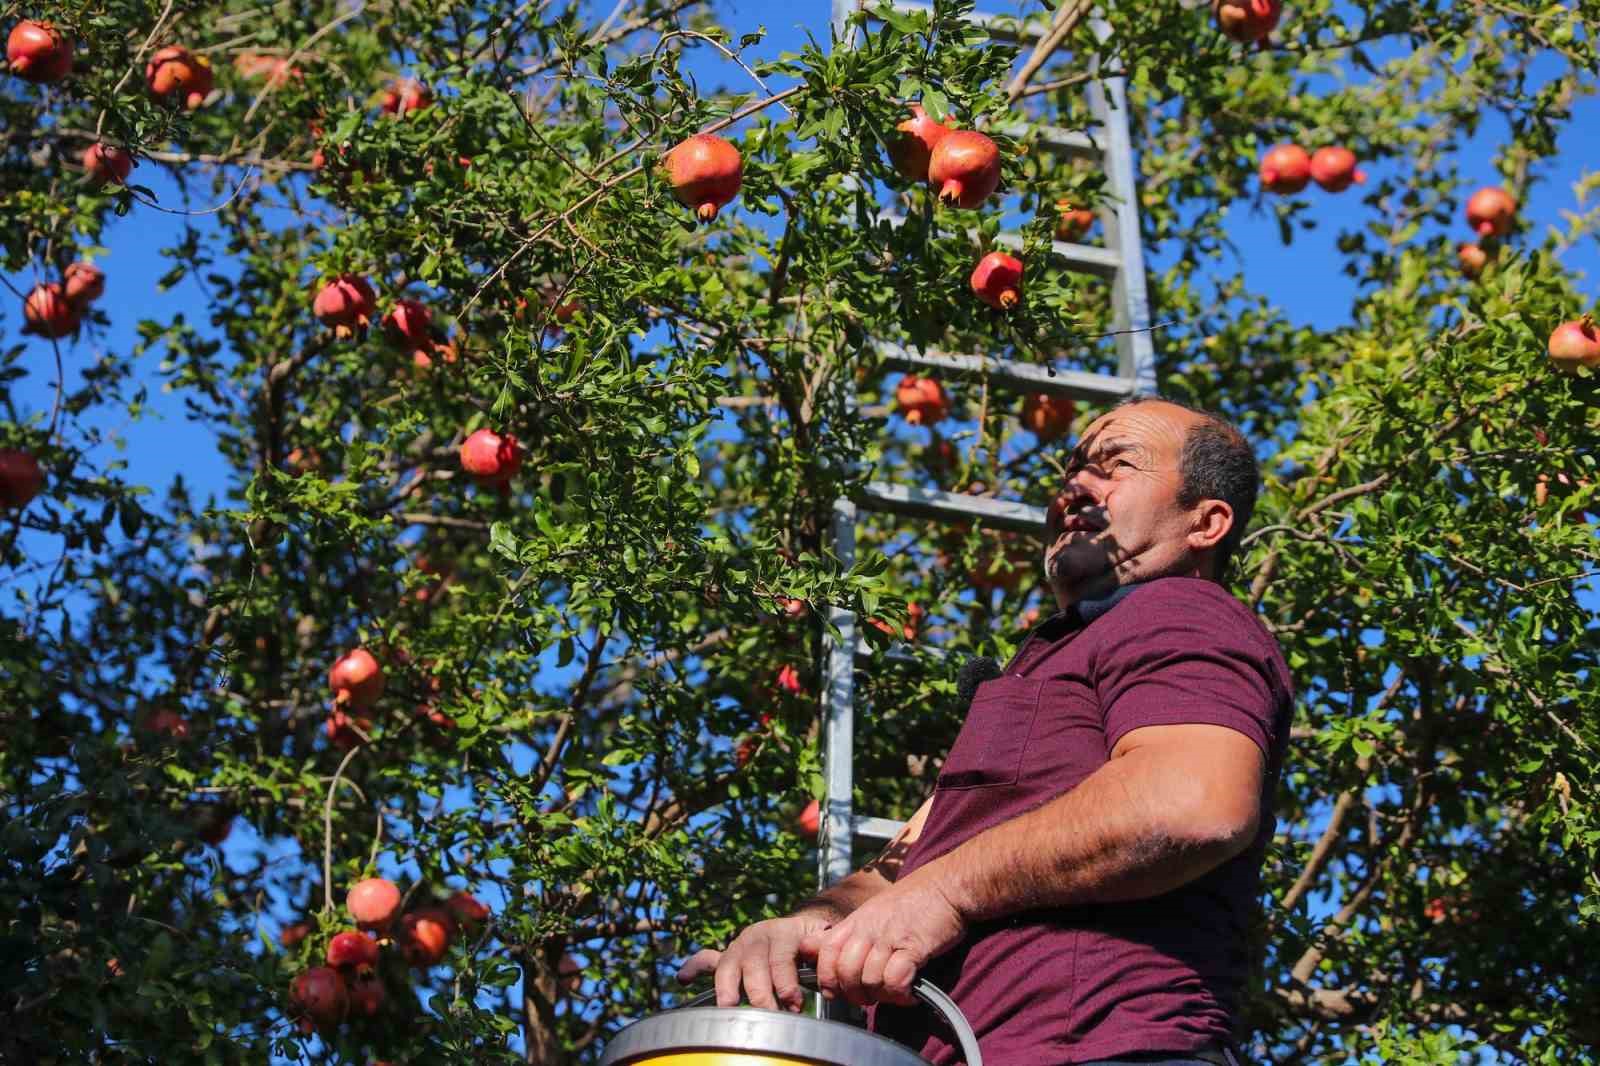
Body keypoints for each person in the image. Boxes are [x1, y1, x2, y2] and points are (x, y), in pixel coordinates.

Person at [677, 397, 1295, 1065]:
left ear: (1206, 523)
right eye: (1075, 467)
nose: (1076, 485)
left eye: (1118, 466)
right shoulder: (1048, 664)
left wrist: (944, 895)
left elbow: (1191, 802)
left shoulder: (1180, 610)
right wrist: (801, 929)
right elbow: (905, 868)